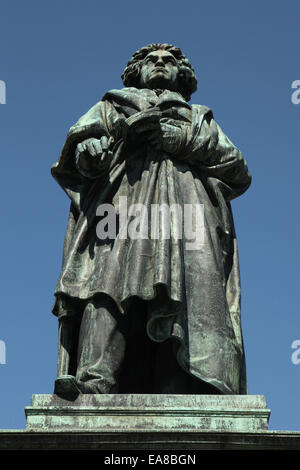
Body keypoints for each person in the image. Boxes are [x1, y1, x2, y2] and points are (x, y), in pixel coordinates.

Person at [51, 43, 251, 396]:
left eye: (169, 61)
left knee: (185, 292)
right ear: (136, 71)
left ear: (182, 74)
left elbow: (237, 167)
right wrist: (96, 149)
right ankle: (92, 381)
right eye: (151, 60)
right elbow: (79, 152)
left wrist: (180, 138)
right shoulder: (111, 106)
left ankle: (182, 384)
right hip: (121, 207)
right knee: (106, 283)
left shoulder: (198, 117)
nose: (160, 64)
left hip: (184, 216)